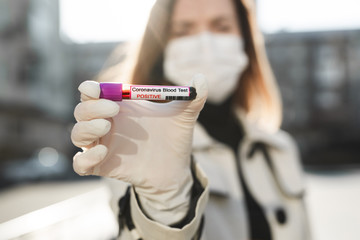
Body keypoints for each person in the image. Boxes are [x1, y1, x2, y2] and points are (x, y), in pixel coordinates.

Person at [71, 0, 311, 239]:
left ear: (246, 41)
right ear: (161, 47)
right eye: (183, 31)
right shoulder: (133, 141)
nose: (205, 44)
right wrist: (164, 207)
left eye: (222, 26)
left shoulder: (280, 149)